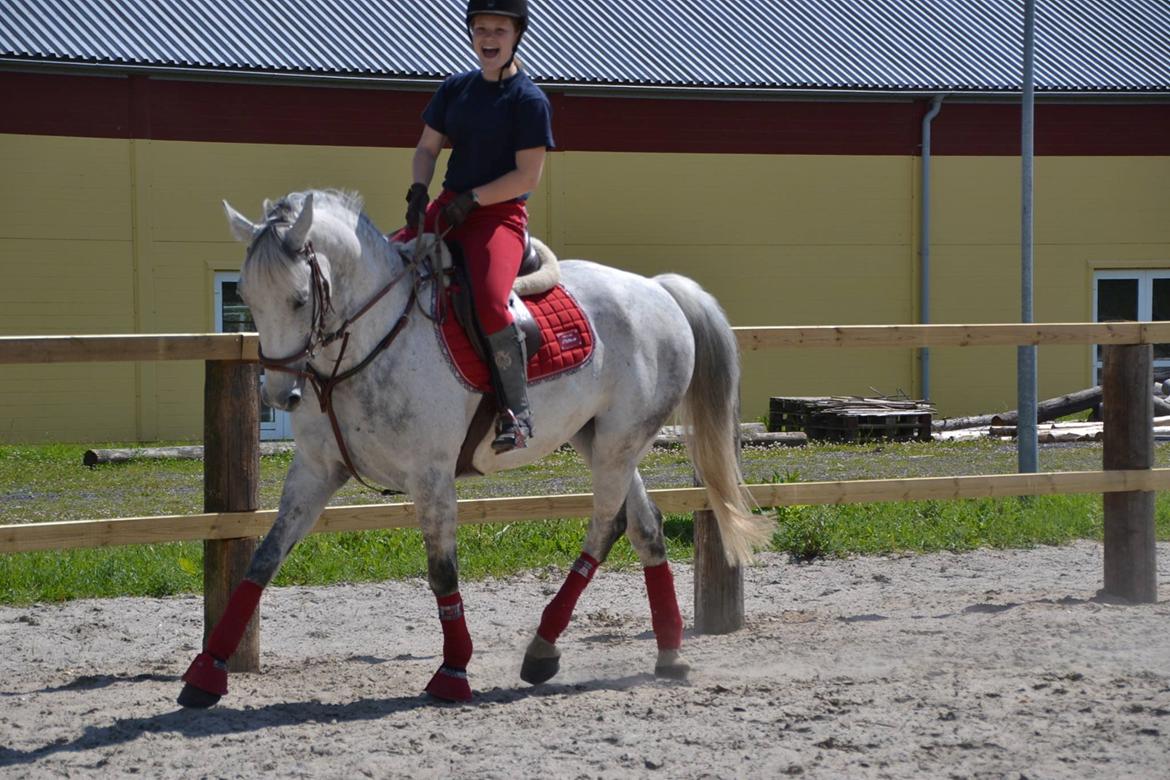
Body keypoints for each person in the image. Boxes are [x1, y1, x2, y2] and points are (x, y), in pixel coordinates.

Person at [402, 0, 554, 454]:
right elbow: (428, 148)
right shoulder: (455, 89)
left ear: (516, 36)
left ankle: (516, 412)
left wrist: (474, 199)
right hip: (449, 206)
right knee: (389, 272)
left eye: (499, 30)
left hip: (496, 215)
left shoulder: (529, 100)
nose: (488, 38)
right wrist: (417, 189)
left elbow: (527, 176)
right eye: (481, 28)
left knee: (489, 302)